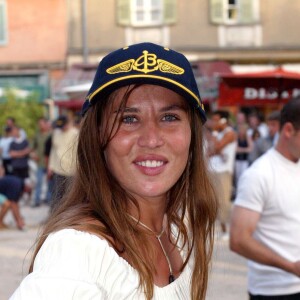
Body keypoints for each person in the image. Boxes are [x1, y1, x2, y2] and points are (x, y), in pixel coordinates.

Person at [10, 42, 218, 300]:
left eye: (169, 117)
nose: (151, 139)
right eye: (128, 119)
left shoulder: (178, 229)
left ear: (192, 135)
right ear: (97, 138)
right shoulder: (78, 251)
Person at [230, 98, 300, 299]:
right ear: (288, 130)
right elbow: (238, 240)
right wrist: (291, 267)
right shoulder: (259, 174)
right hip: (273, 291)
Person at [208, 110, 237, 239]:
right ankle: (221, 228)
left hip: (224, 171)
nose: (213, 122)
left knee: (224, 201)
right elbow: (211, 150)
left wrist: (213, 132)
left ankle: (227, 231)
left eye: (216, 120)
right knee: (213, 201)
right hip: (213, 169)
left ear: (223, 120)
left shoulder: (230, 133)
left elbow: (217, 147)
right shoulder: (219, 134)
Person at [47, 115, 78, 210]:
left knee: (70, 196)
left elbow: (78, 153)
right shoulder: (56, 133)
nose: (61, 129)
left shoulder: (75, 134)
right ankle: (54, 217)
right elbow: (53, 151)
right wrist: (50, 166)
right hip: (57, 169)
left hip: (72, 170)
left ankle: (68, 217)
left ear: (68, 124)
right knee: (57, 195)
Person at [31, 117, 52, 207]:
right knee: (38, 182)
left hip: (50, 163)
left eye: (42, 124)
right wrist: (33, 155)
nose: (40, 126)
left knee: (50, 182)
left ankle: (49, 200)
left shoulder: (51, 134)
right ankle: (37, 200)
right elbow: (32, 148)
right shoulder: (37, 135)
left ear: (46, 124)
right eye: (39, 124)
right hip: (40, 163)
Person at [0, 166, 25, 230]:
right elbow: (13, 205)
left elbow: (15, 205)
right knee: (7, 204)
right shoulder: (17, 184)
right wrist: (18, 221)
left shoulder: (16, 183)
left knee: (8, 203)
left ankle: (1, 222)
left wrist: (19, 218)